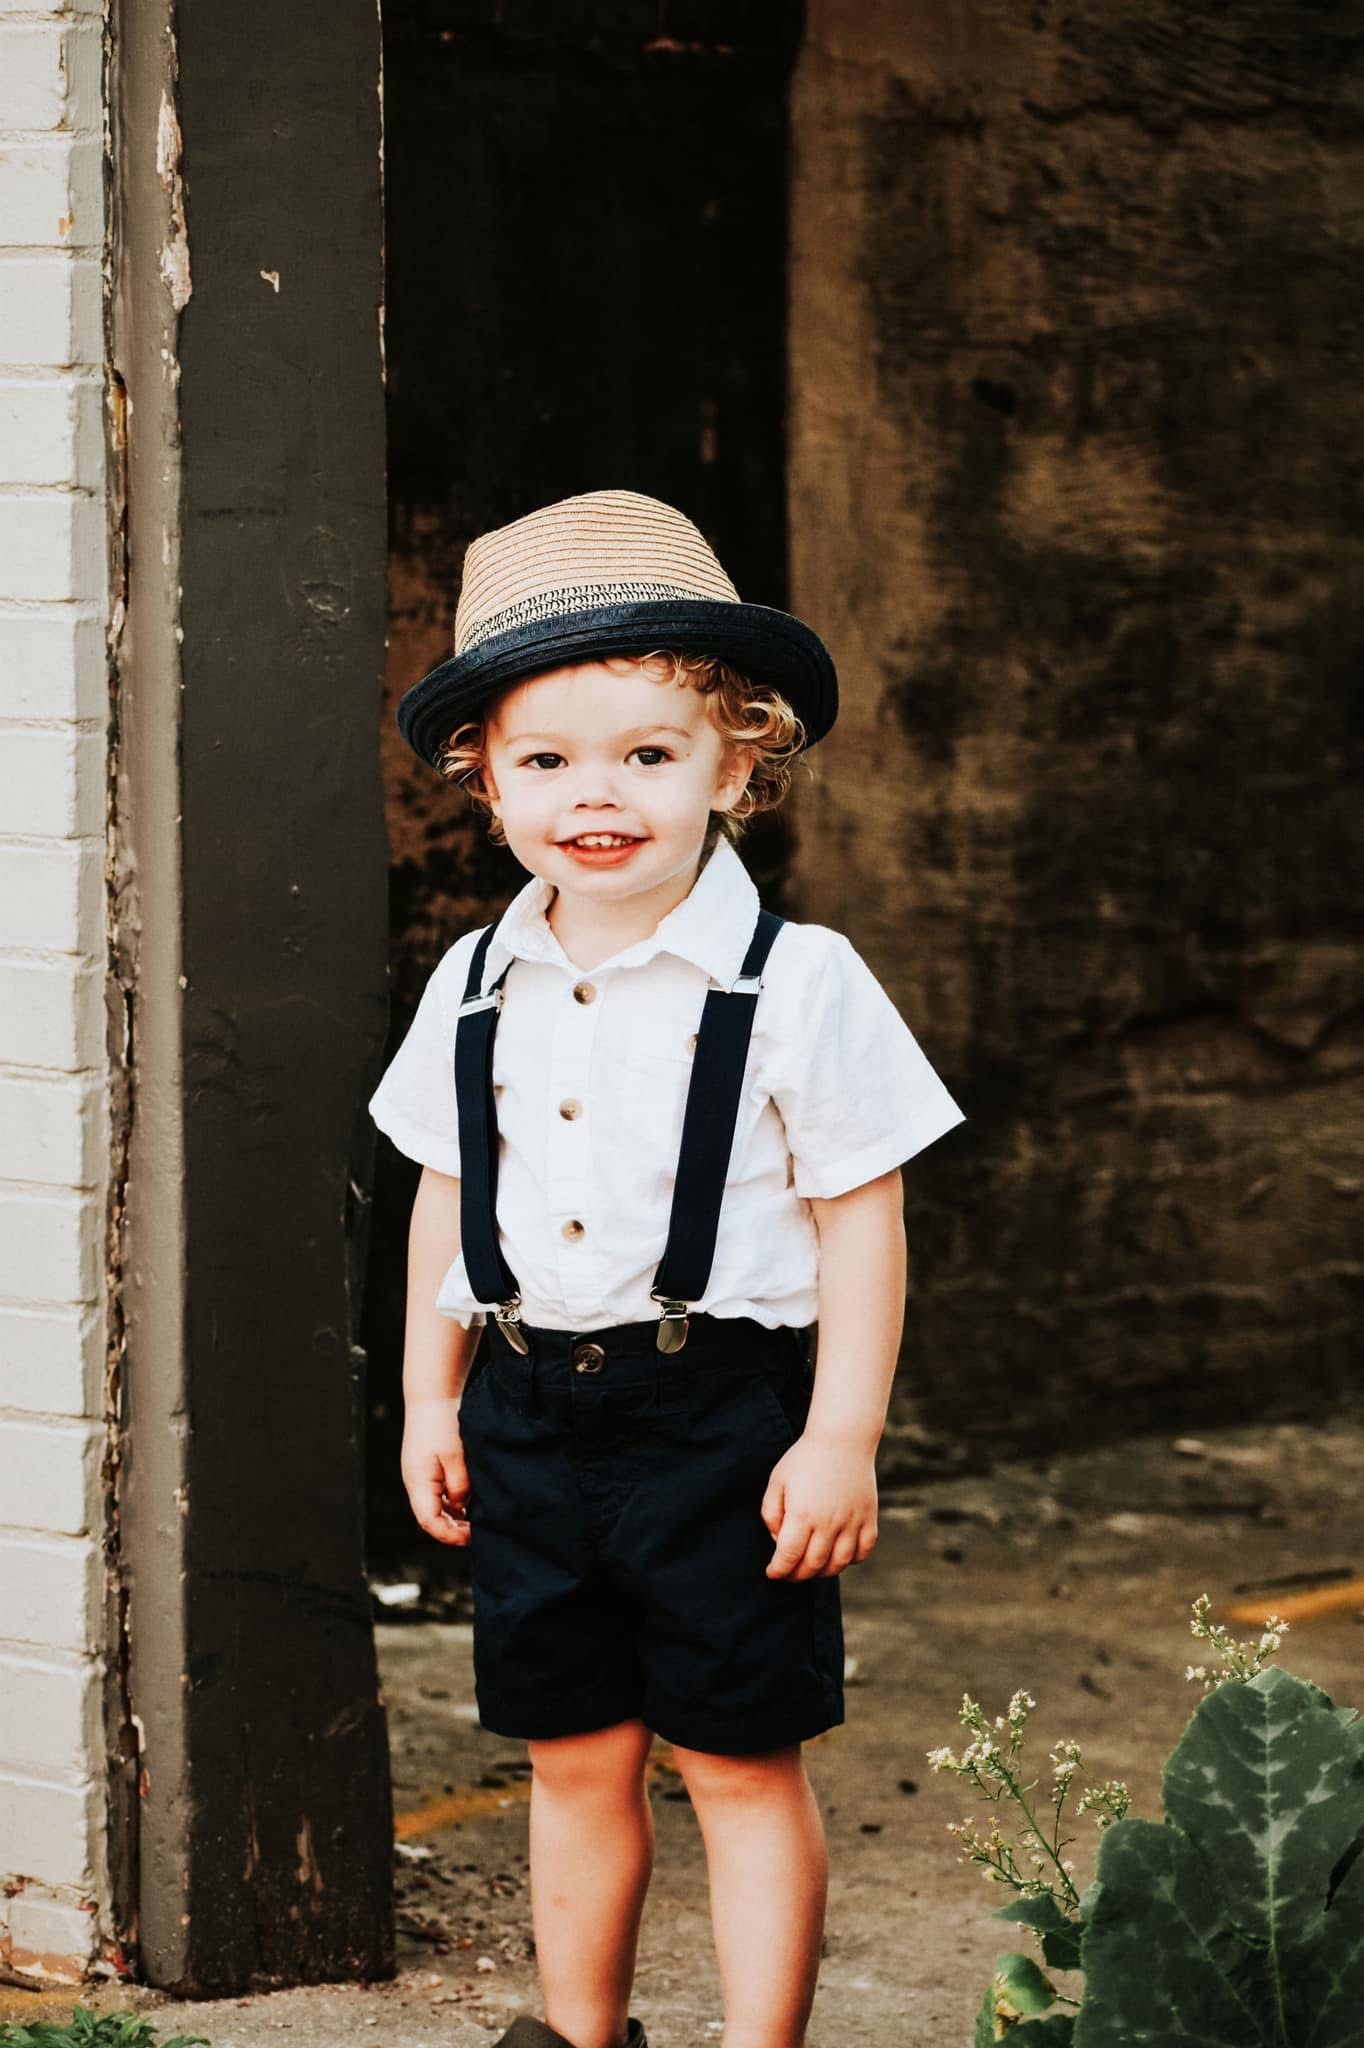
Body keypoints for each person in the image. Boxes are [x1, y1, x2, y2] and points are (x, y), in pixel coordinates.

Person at [367, 489, 965, 2048]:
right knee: (571, 1757)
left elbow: (864, 1215)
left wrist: (840, 1437)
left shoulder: (799, 982)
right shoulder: (476, 980)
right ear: (484, 776)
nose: (596, 795)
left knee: (737, 1761)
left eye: (648, 754)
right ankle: (581, 2037)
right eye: (546, 761)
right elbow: (445, 1190)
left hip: (719, 1422)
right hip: (525, 1413)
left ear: (736, 762)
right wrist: (431, 1398)